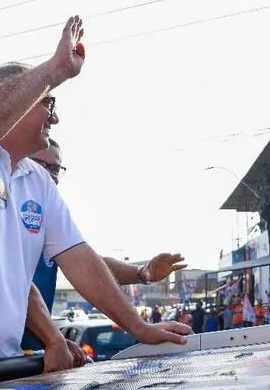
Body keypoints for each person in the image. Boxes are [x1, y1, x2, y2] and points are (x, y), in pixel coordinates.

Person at [0, 25, 191, 367]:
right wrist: (54, 71)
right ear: (14, 100)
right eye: (47, 103)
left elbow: (81, 258)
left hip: (2, 366)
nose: (55, 117)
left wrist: (139, 327)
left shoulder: (38, 181)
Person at [22, 138, 187, 348]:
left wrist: (143, 273)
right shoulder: (3, 204)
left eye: (54, 168)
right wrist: (53, 339)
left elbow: (87, 263)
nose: (47, 174)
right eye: (38, 164)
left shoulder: (49, 214)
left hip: (30, 357)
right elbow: (18, 285)